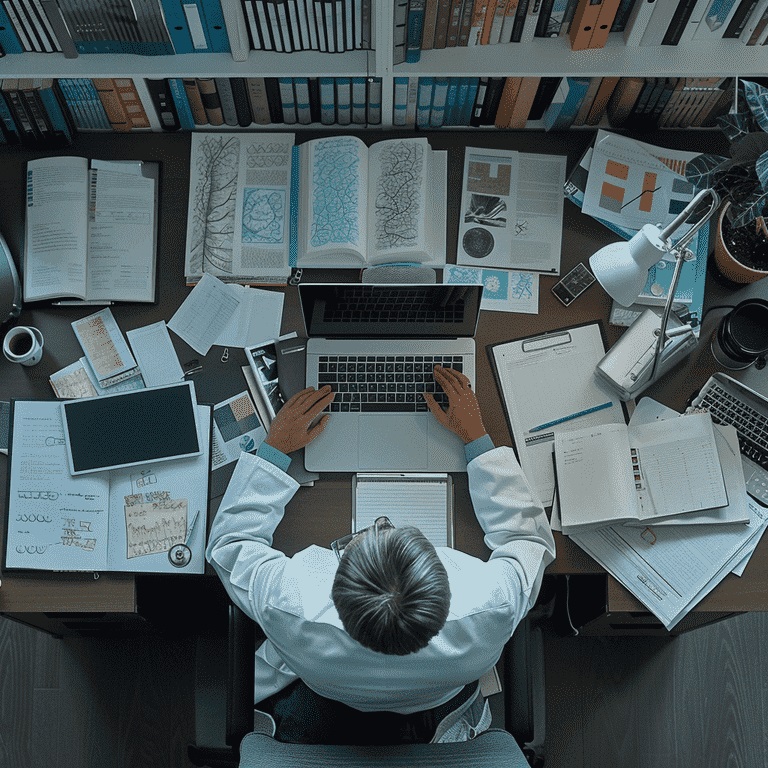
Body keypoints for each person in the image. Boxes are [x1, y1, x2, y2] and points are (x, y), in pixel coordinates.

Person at [206, 365, 556, 744]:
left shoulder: (295, 604)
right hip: (435, 702)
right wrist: (476, 438)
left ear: (336, 584)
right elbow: (529, 541)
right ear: (443, 577)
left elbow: (232, 544)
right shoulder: (491, 605)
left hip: (328, 699)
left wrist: (273, 451)